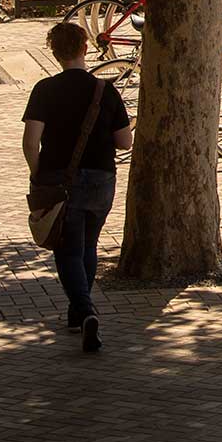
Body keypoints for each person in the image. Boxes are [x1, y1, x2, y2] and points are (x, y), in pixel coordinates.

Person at [22, 22, 133, 353]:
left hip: (60, 179)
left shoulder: (44, 90)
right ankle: (77, 313)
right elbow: (125, 142)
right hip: (101, 180)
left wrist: (37, 171)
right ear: (85, 49)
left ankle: (85, 311)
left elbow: (30, 141)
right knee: (87, 245)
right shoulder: (105, 90)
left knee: (67, 248)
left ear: (55, 53)